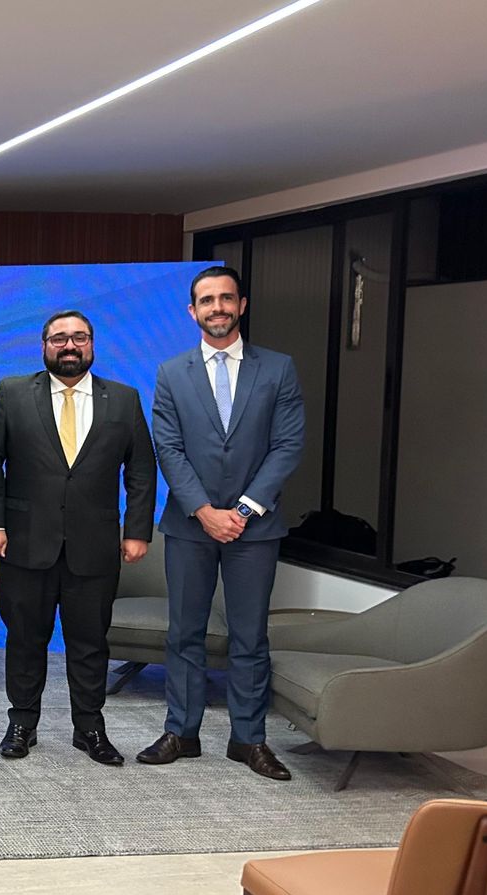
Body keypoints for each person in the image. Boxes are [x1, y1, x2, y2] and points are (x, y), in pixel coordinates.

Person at [136, 266, 305, 780]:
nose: (218, 308)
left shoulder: (278, 368)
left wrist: (245, 510)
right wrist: (205, 511)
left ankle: (248, 740)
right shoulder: (172, 372)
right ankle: (181, 733)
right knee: (184, 632)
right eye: (207, 300)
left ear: (241, 305)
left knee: (249, 637)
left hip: (256, 528)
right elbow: (168, 448)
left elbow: (288, 445)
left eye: (226, 299)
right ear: (193, 311)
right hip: (191, 525)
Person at [0, 311, 156, 766]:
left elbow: (141, 468)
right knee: (24, 639)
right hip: (23, 543)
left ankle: (90, 727)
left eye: (79, 337)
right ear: (44, 346)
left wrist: (138, 530)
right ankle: (22, 723)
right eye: (59, 338)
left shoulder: (124, 399)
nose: (70, 345)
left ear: (92, 344)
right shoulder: (12, 392)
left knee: (90, 642)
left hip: (94, 545)